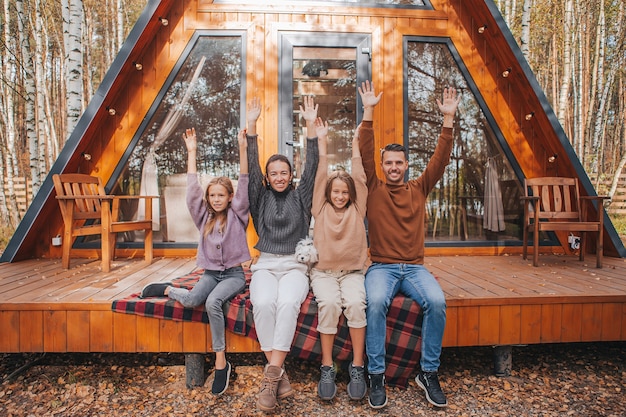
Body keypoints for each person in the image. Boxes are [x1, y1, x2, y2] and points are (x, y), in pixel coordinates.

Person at [357, 80, 461, 409]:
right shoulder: (373, 186)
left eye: (399, 163)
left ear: (406, 165)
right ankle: (376, 374)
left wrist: (448, 119)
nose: (393, 167)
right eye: (389, 162)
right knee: (373, 303)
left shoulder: (419, 188)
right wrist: (369, 111)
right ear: (383, 165)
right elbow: (364, 146)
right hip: (382, 268)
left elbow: (441, 159)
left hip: (415, 269)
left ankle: (428, 372)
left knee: (437, 301)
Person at [140, 127, 250, 396]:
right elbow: (192, 190)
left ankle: (221, 362)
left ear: (229, 197)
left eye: (221, 195)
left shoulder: (239, 215)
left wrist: (243, 148)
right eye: (212, 196)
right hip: (210, 274)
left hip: (234, 275)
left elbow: (245, 181)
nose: (216, 199)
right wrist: (191, 152)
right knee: (190, 300)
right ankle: (167, 288)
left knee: (213, 301)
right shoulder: (204, 218)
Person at [246, 96, 320, 412]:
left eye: (284, 172)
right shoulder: (258, 197)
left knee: (288, 303)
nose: (279, 177)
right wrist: (251, 126)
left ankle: (269, 381)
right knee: (262, 303)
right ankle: (278, 377)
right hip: (265, 263)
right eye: (273, 173)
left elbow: (313, 166)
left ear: (291, 175)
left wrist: (310, 127)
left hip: (293, 265)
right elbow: (250, 166)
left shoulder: (301, 197)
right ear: (268, 176)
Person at [309, 118, 368, 401]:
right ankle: (327, 365)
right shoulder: (320, 207)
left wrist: (356, 142)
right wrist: (323, 141)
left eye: (345, 192)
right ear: (328, 194)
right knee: (330, 304)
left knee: (356, 304)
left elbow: (359, 176)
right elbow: (321, 175)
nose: (341, 196)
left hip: (353, 273)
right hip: (323, 273)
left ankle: (357, 365)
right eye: (336, 192)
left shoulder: (358, 208)